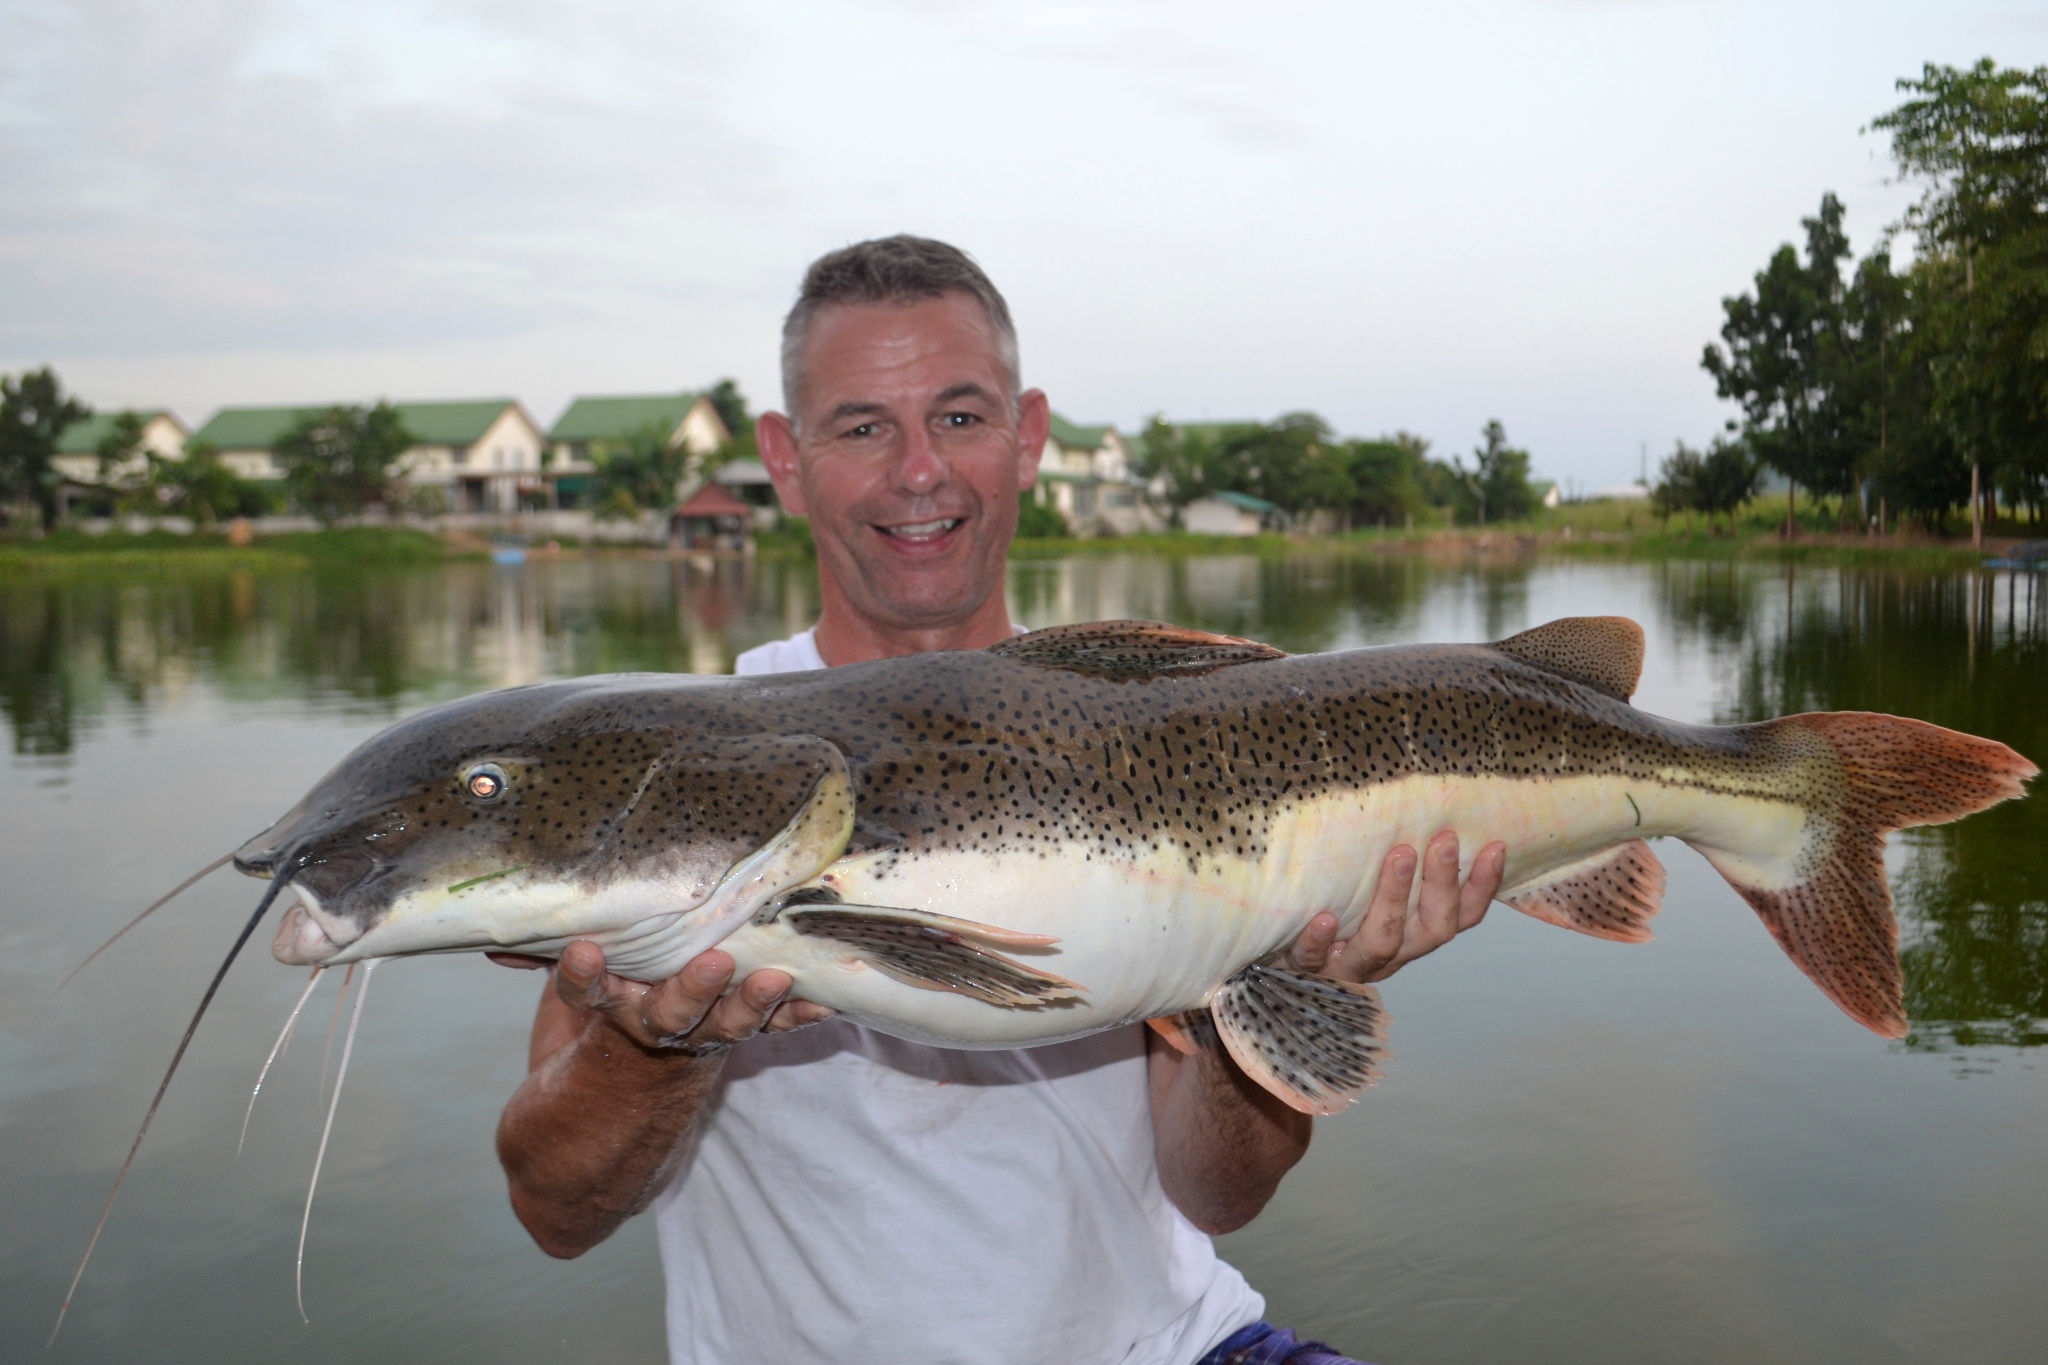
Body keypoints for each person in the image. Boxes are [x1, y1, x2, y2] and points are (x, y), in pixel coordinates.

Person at [492, 236, 1506, 1365]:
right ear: (784, 458)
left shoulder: (1161, 719)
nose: (917, 469)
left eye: (960, 418)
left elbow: (1215, 1195)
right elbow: (555, 1214)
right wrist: (650, 1046)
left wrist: (1277, 972)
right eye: (863, 425)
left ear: (1028, 437)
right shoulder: (680, 775)